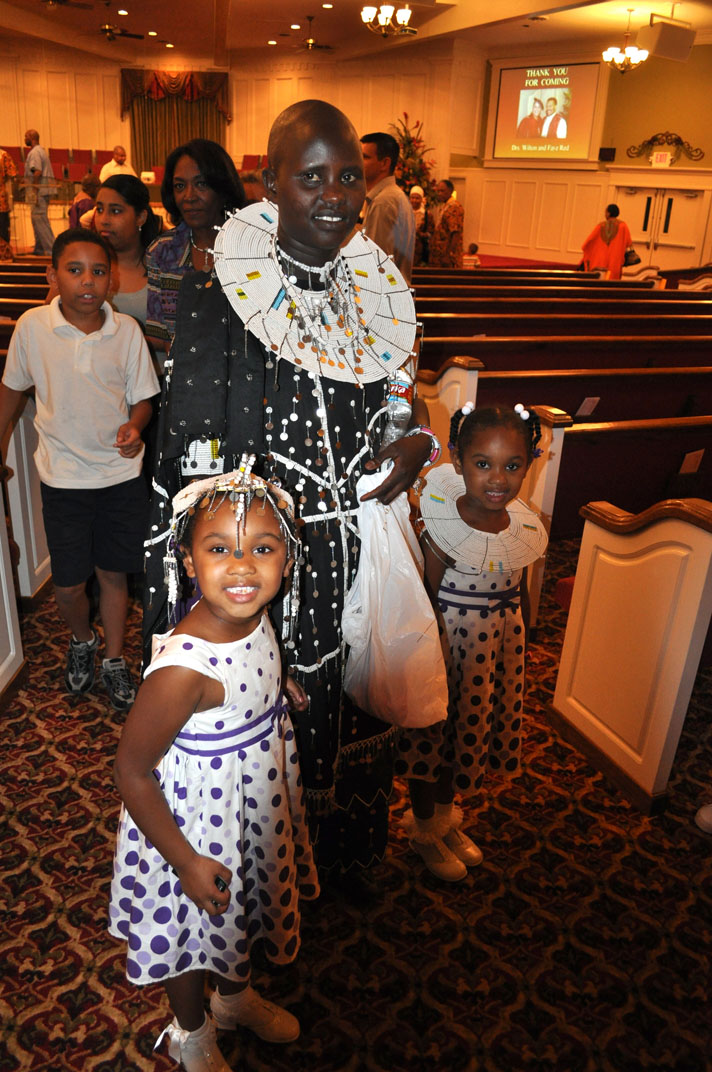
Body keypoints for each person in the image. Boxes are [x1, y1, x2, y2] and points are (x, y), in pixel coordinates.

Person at [143, 99, 435, 883]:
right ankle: (278, 878)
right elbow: (188, 476)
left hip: (360, 545)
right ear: (271, 182)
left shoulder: (375, 296)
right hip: (266, 567)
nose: (336, 194)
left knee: (362, 699)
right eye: (312, 178)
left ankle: (352, 853)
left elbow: (402, 405)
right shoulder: (219, 302)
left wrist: (414, 441)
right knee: (281, 715)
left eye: (347, 175)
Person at [110, 464, 318, 1071]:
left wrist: (279, 692)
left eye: (262, 548)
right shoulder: (183, 669)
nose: (243, 567)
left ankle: (232, 999)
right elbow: (130, 771)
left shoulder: (251, 613)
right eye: (220, 549)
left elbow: (249, 678)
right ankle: (191, 1030)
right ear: (189, 558)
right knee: (189, 938)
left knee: (237, 915)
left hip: (248, 802)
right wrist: (185, 860)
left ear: (286, 555)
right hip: (190, 827)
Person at [0, 229, 159, 710]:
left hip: (118, 477)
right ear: (53, 275)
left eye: (98, 271)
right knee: (68, 584)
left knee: (113, 574)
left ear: (111, 280)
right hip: (63, 478)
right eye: (74, 270)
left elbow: (143, 399)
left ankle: (112, 658)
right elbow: (11, 393)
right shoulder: (33, 327)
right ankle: (82, 639)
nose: (87, 281)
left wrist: (134, 427)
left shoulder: (126, 331)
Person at [395, 402, 548, 881]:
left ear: (529, 463)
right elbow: (423, 602)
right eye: (483, 464)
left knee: (467, 737)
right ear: (459, 461)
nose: (497, 479)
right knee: (434, 743)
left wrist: (520, 644)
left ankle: (444, 819)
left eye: (512, 465)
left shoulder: (520, 527)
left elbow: (519, 589)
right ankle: (424, 828)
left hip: (493, 653)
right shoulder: (444, 530)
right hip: (447, 652)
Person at [145, 139, 245, 350]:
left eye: (201, 184)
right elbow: (160, 337)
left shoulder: (251, 248)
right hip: (184, 377)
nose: (189, 196)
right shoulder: (162, 252)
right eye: (180, 186)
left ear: (222, 188)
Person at [94, 174, 162, 327]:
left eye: (115, 211)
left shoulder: (164, 268)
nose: (104, 220)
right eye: (99, 209)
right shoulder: (83, 264)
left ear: (141, 217)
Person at [360, 131, 415, 282]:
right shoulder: (394, 195)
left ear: (384, 163)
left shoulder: (384, 202)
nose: (357, 161)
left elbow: (378, 265)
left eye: (365, 157)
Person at [23, 129, 55, 256]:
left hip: (39, 191)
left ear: (32, 137)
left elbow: (37, 171)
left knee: (41, 220)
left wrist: (34, 190)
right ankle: (40, 249)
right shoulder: (41, 151)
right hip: (43, 190)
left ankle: (51, 250)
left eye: (26, 136)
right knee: (37, 220)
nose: (25, 138)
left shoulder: (35, 152)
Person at [581, 203, 632, 281]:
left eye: (605, 212)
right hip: (615, 262)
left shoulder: (600, 226)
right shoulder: (623, 226)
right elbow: (628, 242)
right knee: (612, 284)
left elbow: (588, 243)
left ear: (608, 213)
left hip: (600, 262)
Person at [429, 178, 464, 269]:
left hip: (447, 257)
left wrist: (449, 254)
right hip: (440, 255)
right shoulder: (446, 206)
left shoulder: (454, 207)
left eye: (442, 191)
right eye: (438, 191)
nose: (439, 193)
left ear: (450, 191)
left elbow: (455, 232)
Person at [0, 146, 18, 258]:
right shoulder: (3, 155)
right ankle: (4, 254)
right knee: (2, 228)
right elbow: (12, 174)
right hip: (1, 201)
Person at [409, 183, 431, 266]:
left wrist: (422, 234)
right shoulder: (405, 212)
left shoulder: (427, 214)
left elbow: (431, 232)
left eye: (417, 198)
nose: (414, 200)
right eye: (412, 198)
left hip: (420, 250)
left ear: (421, 199)